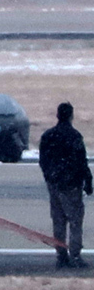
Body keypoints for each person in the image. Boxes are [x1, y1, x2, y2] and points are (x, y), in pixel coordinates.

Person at [39, 101, 93, 268]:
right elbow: (81, 161)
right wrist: (88, 181)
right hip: (71, 184)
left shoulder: (48, 136)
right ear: (71, 115)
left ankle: (61, 255)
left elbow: (43, 161)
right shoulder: (74, 136)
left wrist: (50, 178)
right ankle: (75, 255)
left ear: (57, 115)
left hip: (54, 183)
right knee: (75, 221)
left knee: (58, 220)